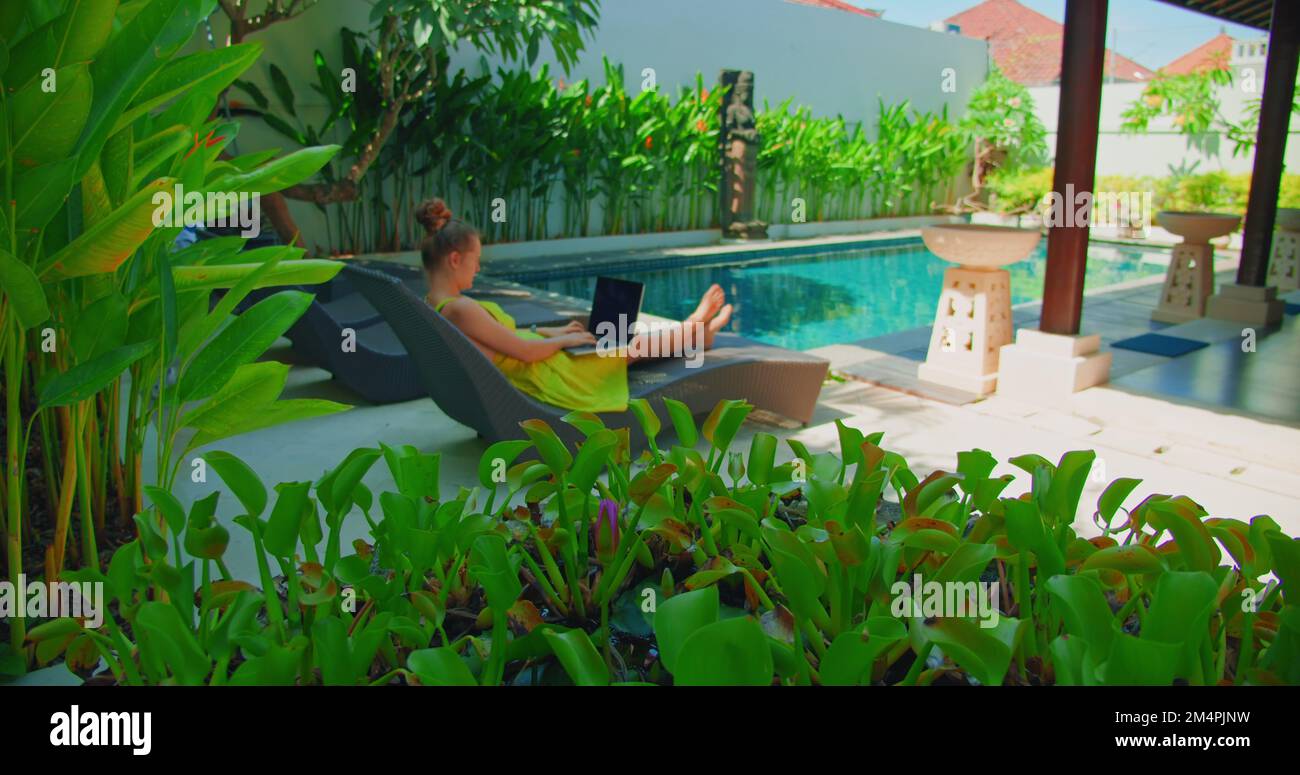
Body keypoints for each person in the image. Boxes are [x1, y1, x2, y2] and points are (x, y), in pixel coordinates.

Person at [414, 198, 733, 413]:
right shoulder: (460, 309)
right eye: (476, 261)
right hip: (541, 374)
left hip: (536, 361)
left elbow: (502, 340)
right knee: (628, 346)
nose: (478, 269)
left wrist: (550, 331)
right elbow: (522, 354)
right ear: (455, 259)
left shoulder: (435, 305)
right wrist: (563, 341)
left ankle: (700, 334)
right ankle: (694, 325)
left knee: (613, 340)